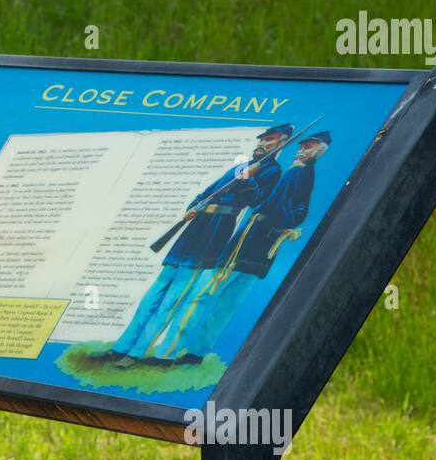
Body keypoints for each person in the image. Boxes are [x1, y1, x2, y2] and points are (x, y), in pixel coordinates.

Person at [93, 124, 292, 368]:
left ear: (282, 142)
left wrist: (249, 180)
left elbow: (256, 202)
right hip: (196, 227)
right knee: (152, 296)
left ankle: (136, 353)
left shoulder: (272, 171)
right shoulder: (241, 166)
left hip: (216, 231)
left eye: (270, 140)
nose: (263, 144)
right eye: (262, 139)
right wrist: (193, 206)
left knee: (173, 300)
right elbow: (209, 191)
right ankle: (121, 347)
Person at [159, 131, 331, 366]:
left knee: (206, 296)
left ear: (320, 151)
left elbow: (272, 205)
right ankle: (185, 352)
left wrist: (255, 190)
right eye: (302, 145)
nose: (302, 149)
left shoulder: (301, 173)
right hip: (257, 243)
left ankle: (171, 353)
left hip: (251, 243)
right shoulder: (298, 172)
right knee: (218, 300)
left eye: (308, 146)